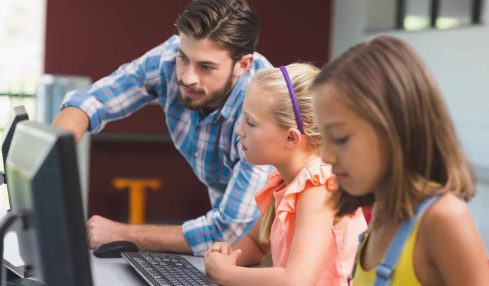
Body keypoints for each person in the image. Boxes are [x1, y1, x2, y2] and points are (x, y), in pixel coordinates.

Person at [53, 0, 274, 256]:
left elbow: (227, 230)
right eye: (184, 58)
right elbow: (92, 101)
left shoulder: (262, 112)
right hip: (228, 236)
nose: (187, 77)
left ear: (243, 65)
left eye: (206, 67)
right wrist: (51, 160)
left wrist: (124, 234)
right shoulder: (171, 57)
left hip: (276, 240)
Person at [312, 35, 489, 285]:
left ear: (395, 129)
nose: (326, 156)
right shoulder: (380, 218)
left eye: (340, 138)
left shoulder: (444, 220)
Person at [204, 63, 367, 285]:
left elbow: (297, 280)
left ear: (291, 138)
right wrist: (228, 255)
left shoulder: (318, 187)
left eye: (251, 123)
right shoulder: (287, 181)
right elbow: (257, 242)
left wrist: (226, 274)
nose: (240, 130)